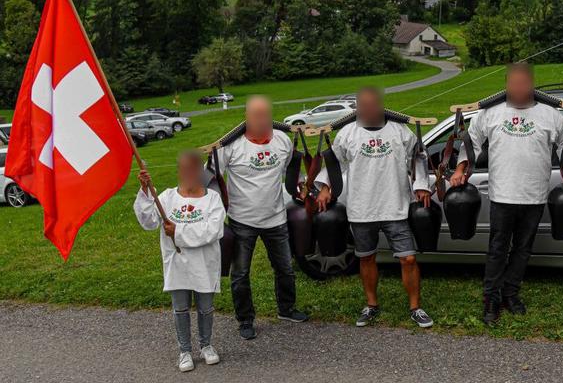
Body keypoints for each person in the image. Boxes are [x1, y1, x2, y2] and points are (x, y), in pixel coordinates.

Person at [449, 63, 563, 325]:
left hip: (534, 196)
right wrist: (460, 169)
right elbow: (470, 141)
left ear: (532, 84)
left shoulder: (549, 115)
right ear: (507, 85)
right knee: (497, 249)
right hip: (502, 195)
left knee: (522, 249)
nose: (519, 88)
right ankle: (491, 299)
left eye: (524, 83)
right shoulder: (490, 114)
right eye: (514, 83)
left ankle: (511, 293)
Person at [315, 87, 435, 328]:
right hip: (362, 208)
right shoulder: (347, 134)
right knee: (367, 257)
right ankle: (371, 305)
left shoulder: (400, 130)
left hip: (396, 206)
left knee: (408, 259)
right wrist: (325, 187)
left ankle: (415, 307)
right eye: (364, 105)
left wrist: (421, 184)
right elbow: (332, 163)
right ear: (357, 108)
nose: (369, 109)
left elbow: (418, 156)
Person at [211, 96, 308, 340]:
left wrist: (303, 186)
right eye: (256, 116)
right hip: (242, 221)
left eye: (265, 115)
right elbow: (211, 177)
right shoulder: (230, 146)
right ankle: (245, 320)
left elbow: (290, 171)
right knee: (241, 274)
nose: (261, 121)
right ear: (246, 117)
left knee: (285, 268)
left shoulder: (283, 141)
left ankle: (286, 309)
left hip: (276, 218)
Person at [135, 150, 225, 372]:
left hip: (204, 264)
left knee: (205, 308)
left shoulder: (212, 199)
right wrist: (146, 191)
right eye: (184, 169)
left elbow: (213, 230)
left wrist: (178, 231)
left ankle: (206, 345)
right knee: (181, 309)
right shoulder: (166, 198)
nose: (189, 173)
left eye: (193, 169)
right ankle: (185, 350)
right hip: (177, 265)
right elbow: (148, 222)